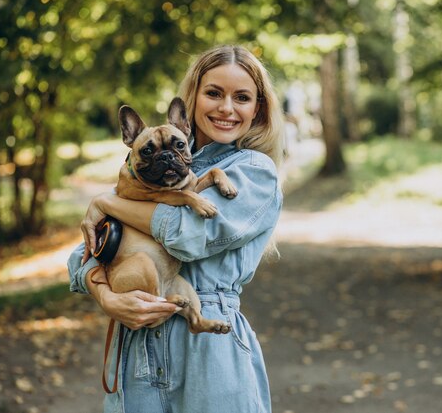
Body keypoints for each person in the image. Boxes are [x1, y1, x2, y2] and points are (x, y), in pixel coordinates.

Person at [67, 44, 284, 413]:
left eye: (242, 97)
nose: (226, 108)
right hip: (137, 347)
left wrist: (106, 203)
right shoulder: (157, 161)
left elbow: (186, 238)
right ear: (193, 98)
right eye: (214, 93)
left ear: (257, 109)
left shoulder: (255, 172)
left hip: (207, 352)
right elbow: (82, 257)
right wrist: (106, 295)